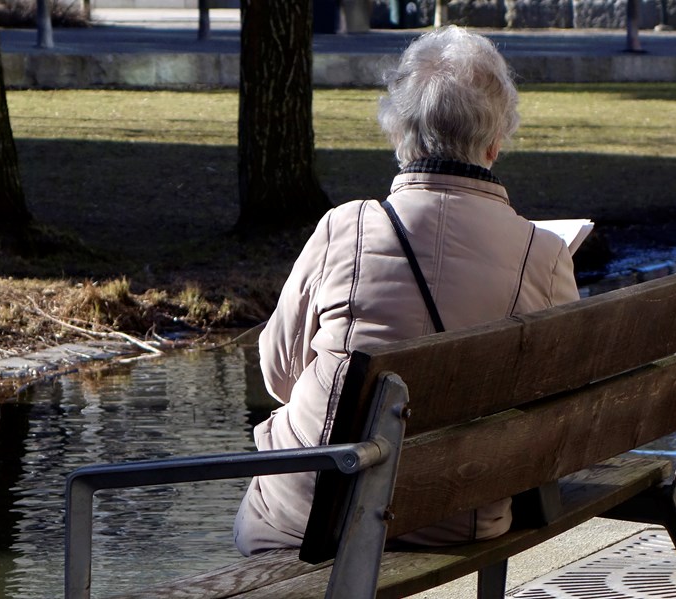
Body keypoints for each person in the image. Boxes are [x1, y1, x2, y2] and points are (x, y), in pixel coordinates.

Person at [233, 25, 580, 556]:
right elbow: (558, 406)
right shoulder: (544, 253)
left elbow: (280, 375)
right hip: (458, 514)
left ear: (400, 134)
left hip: (312, 512)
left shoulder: (343, 228)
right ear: (495, 140)